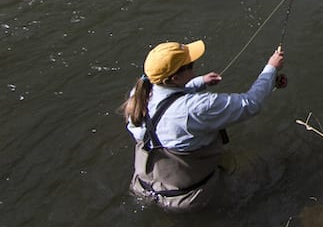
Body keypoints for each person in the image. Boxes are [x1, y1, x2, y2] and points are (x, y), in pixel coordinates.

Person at [121, 40, 285, 210]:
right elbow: (250, 104)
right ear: (175, 78)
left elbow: (169, 104)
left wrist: (198, 83)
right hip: (188, 198)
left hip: (143, 187)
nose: (194, 66)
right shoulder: (198, 108)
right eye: (190, 65)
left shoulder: (140, 95)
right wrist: (271, 68)